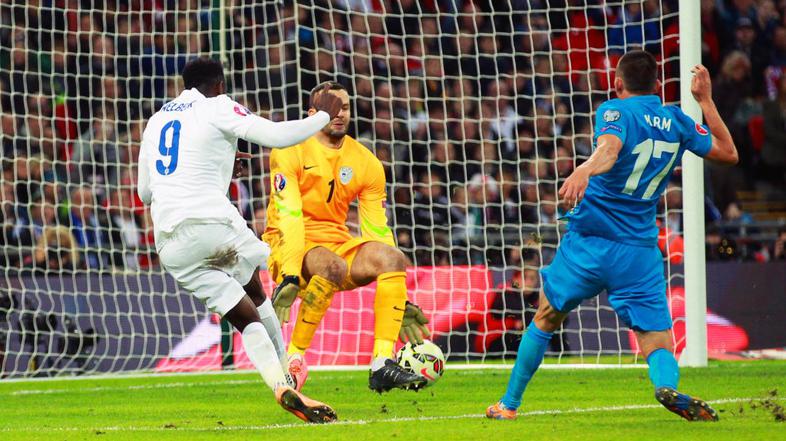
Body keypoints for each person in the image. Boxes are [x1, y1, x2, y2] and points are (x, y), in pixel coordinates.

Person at [486, 50, 738, 421]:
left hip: (589, 241)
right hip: (638, 250)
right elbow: (728, 152)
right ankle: (665, 386)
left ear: (617, 83)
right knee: (657, 339)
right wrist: (706, 101)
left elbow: (609, 148)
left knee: (545, 317)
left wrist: (584, 170)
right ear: (656, 85)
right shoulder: (678, 120)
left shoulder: (613, 111)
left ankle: (508, 404)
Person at [136, 57, 343, 424]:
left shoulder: (156, 120)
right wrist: (322, 117)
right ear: (219, 83)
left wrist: (219, 162)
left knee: (246, 309)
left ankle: (283, 385)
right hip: (213, 221)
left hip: (171, 244)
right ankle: (334, 285)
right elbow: (278, 136)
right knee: (288, 261)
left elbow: (146, 192)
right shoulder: (218, 105)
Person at [263, 81, 430, 393]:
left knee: (392, 258)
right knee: (331, 265)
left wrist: (400, 295)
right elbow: (289, 215)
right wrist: (288, 273)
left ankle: (382, 362)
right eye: (330, 107)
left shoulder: (365, 161)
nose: (338, 114)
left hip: (337, 244)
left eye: (345, 107)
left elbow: (377, 228)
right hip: (287, 244)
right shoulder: (289, 148)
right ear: (312, 114)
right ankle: (295, 359)